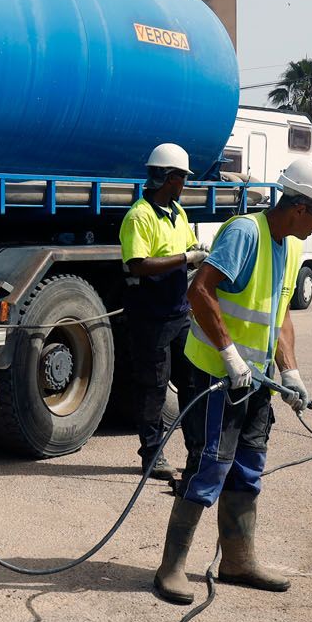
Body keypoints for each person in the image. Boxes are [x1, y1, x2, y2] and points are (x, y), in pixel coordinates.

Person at [152, 156, 312, 603]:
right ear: (299, 205)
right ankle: (170, 568)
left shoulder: (291, 246)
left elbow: (280, 314)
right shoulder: (245, 232)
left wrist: (290, 372)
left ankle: (237, 560)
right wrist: (230, 355)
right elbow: (200, 289)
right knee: (209, 464)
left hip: (256, 380)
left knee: (249, 464)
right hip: (218, 374)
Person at [119, 143, 207, 483]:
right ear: (170, 178)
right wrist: (186, 259)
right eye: (182, 178)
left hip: (178, 312)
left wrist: (197, 253)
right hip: (150, 317)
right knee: (153, 388)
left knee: (190, 383)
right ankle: (152, 456)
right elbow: (138, 264)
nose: (185, 184)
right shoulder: (139, 216)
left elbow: (187, 248)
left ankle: (197, 453)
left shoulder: (178, 213)